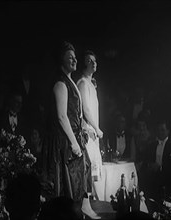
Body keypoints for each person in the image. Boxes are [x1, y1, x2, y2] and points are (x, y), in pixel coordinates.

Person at [41, 41, 100, 219]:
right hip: (63, 141)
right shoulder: (60, 83)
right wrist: (74, 143)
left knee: (82, 173)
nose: (74, 60)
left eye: (75, 57)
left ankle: (83, 207)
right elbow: (61, 116)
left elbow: (76, 113)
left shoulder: (70, 81)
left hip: (74, 137)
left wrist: (83, 129)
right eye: (70, 58)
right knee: (65, 184)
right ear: (61, 60)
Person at [77, 50, 103, 201]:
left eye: (94, 60)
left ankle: (94, 202)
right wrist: (96, 129)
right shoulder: (82, 83)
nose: (93, 63)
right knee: (88, 171)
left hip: (93, 134)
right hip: (88, 132)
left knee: (94, 174)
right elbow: (85, 109)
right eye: (89, 61)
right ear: (83, 64)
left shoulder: (91, 84)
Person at [144, 119, 171, 202]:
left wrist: (160, 167)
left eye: (163, 130)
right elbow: (147, 160)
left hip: (167, 179)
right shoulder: (152, 144)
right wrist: (150, 165)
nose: (160, 132)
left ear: (168, 131)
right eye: (158, 130)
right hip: (153, 178)